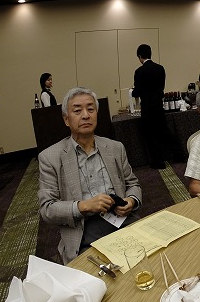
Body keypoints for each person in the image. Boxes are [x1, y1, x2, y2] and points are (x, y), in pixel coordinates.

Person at [38, 87, 142, 264]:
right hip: (84, 232)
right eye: (77, 111)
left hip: (123, 221)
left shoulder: (115, 148)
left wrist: (131, 201)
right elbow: (47, 209)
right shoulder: (50, 158)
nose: (86, 115)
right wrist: (83, 206)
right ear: (66, 119)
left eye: (91, 109)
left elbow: (133, 184)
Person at [132, 44, 168, 169]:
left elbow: (137, 92)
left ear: (140, 56)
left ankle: (157, 161)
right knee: (162, 131)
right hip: (159, 105)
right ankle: (173, 156)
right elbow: (162, 87)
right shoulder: (160, 68)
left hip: (147, 107)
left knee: (151, 134)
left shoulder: (139, 71)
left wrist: (133, 91)